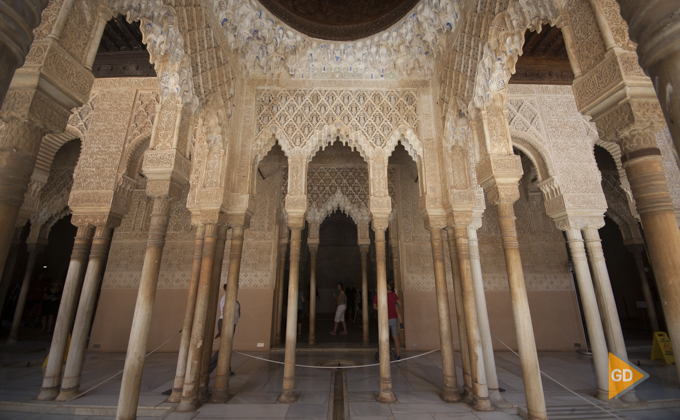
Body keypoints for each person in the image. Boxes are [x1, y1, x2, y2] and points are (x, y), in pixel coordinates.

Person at [209, 284, 240, 375]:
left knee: (227, 347)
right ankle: (208, 368)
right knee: (224, 347)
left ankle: (226, 369)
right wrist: (225, 326)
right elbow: (225, 310)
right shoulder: (226, 297)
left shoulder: (231, 297)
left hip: (229, 323)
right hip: (226, 322)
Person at [373, 282, 402, 359]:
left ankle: (384, 355)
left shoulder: (378, 295)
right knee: (395, 337)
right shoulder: (393, 295)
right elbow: (400, 303)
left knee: (384, 337)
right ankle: (398, 354)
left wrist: (382, 309)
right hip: (393, 318)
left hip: (384, 319)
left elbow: (374, 306)